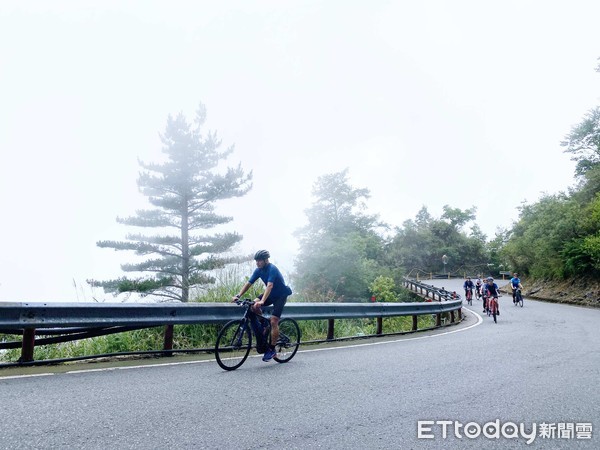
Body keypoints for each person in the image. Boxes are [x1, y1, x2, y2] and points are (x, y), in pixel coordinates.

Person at [232, 250, 292, 362]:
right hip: (270, 294)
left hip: (280, 296)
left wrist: (262, 300)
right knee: (252, 306)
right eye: (256, 261)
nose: (257, 263)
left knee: (274, 321)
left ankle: (272, 349)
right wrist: (238, 295)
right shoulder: (258, 270)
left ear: (266, 260)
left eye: (259, 260)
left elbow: (269, 286)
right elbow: (248, 283)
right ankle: (264, 323)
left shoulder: (272, 269)